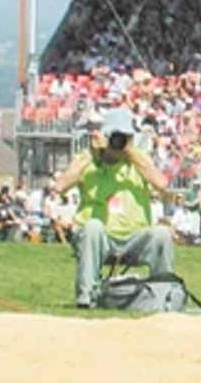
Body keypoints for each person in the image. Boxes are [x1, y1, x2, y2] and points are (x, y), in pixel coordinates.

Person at [52, 106, 174, 308]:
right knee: (92, 227)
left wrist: (130, 152)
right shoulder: (87, 160)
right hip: (100, 238)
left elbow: (161, 184)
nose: (118, 142)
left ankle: (163, 295)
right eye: (115, 137)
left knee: (161, 233)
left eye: (124, 137)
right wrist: (93, 154)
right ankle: (86, 296)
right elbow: (60, 186)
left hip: (135, 237)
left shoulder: (139, 160)